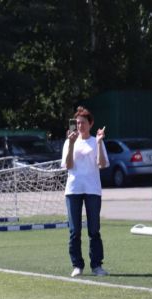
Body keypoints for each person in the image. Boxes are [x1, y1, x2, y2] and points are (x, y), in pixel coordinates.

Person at [62, 106, 110, 277]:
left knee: (94, 229)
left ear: (91, 124)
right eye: (77, 123)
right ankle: (77, 265)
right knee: (74, 230)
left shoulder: (96, 141)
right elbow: (67, 166)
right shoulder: (69, 142)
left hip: (92, 189)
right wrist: (72, 144)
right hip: (73, 189)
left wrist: (98, 142)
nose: (80, 126)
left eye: (83, 123)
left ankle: (97, 265)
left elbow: (102, 164)